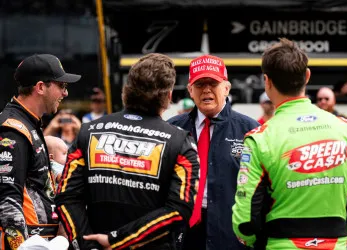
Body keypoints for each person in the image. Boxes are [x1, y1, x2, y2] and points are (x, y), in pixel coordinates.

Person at [232, 38, 347, 250]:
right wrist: (337, 236)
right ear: (307, 76)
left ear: (266, 81)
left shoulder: (259, 139)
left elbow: (245, 222)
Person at [55, 53, 200, 250]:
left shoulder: (88, 132)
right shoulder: (181, 143)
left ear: (126, 90)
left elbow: (66, 195)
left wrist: (88, 243)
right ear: (168, 96)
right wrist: (117, 239)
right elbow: (179, 210)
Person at [168, 54, 259, 250]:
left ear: (226, 88)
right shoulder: (172, 130)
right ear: (190, 90)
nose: (207, 90)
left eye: (213, 83)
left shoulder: (250, 130)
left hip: (231, 232)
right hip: (183, 232)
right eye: (200, 84)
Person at [0, 54, 80, 249]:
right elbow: (7, 200)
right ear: (41, 87)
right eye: (62, 86)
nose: (65, 93)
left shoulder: (29, 123)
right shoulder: (14, 129)